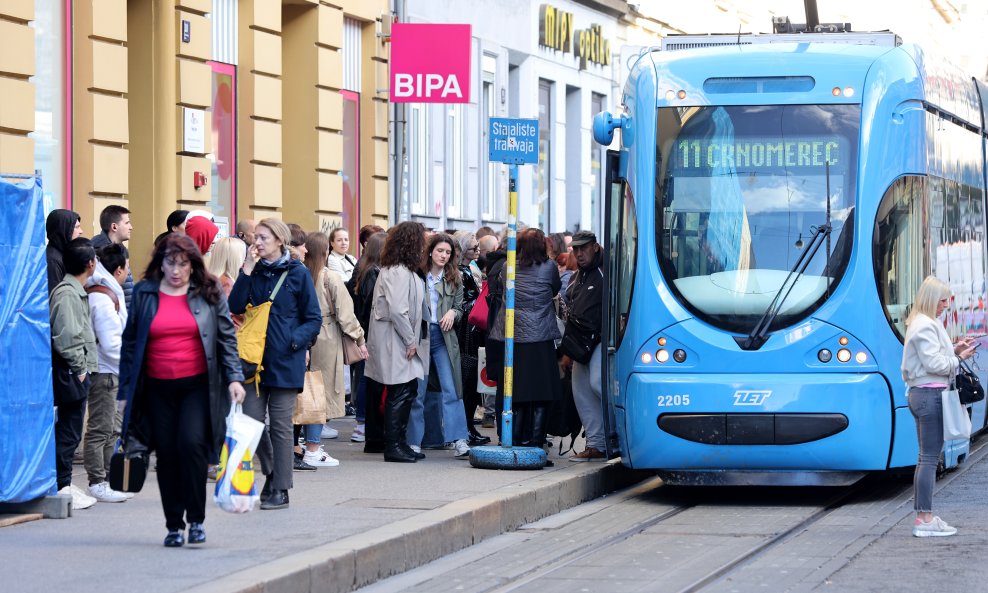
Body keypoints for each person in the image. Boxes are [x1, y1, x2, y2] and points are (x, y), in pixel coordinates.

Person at [118, 234, 245, 547]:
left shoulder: (209, 291)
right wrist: (124, 393)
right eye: (170, 263)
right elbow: (130, 344)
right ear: (160, 263)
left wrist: (234, 378)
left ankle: (197, 521)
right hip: (156, 389)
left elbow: (226, 338)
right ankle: (174, 525)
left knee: (191, 447)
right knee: (168, 455)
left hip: (197, 388)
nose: (175, 270)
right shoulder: (146, 293)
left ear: (193, 265)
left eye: (183, 264)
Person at [228, 218, 321, 510]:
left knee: (281, 427)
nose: (257, 242)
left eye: (263, 238)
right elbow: (234, 306)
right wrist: (245, 268)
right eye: (255, 237)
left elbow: (313, 318)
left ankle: (281, 488)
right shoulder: (252, 271)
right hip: (253, 361)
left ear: (280, 241)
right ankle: (271, 472)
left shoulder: (297, 273)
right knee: (251, 423)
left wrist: (295, 341)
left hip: (285, 359)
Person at [901, 276, 976, 537]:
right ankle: (924, 519)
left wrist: (954, 348)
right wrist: (958, 358)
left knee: (928, 457)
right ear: (932, 299)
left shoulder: (925, 322)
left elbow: (932, 357)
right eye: (943, 300)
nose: (946, 304)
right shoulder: (924, 325)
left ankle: (925, 516)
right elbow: (934, 364)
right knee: (929, 458)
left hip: (925, 394)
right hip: (929, 395)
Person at [488, 228, 562, 452]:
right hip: (540, 337)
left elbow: (501, 291)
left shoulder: (506, 267)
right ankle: (537, 440)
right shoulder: (549, 268)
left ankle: (514, 437)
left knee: (515, 389)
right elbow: (554, 290)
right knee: (542, 391)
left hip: (513, 337)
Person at [364, 221, 430, 463]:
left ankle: (399, 443)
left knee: (406, 389)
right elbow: (398, 310)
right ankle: (393, 445)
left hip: (398, 338)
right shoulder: (398, 272)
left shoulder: (403, 270)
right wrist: (411, 341)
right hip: (396, 340)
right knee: (400, 390)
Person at [301, 232, 367, 467]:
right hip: (325, 336)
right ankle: (313, 446)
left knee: (304, 391)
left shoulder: (300, 274)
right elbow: (346, 314)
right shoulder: (329, 277)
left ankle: (302, 443)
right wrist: (360, 339)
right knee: (321, 393)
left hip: (301, 336)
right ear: (325, 252)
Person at [407, 234, 471, 458]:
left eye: (448, 252)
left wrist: (454, 312)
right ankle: (414, 441)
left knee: (451, 388)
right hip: (421, 337)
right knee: (418, 391)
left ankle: (459, 440)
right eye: (440, 251)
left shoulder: (455, 277)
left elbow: (460, 307)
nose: (444, 255)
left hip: (444, 338)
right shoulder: (417, 275)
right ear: (430, 251)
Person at [50, 237, 99, 510]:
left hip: (75, 370)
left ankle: (64, 482)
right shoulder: (68, 293)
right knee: (68, 431)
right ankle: (61, 484)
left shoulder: (74, 290)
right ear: (90, 264)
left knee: (71, 430)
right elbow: (66, 336)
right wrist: (80, 369)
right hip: (71, 371)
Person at [83, 244, 131, 503]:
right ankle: (97, 481)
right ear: (119, 269)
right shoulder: (102, 296)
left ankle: (108, 478)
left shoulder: (109, 291)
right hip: (106, 372)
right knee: (101, 428)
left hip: (113, 371)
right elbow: (111, 343)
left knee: (112, 428)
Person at [565, 231, 606, 461]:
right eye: (576, 249)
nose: (579, 253)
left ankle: (615, 436)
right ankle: (596, 444)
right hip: (581, 343)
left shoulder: (606, 270)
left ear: (595, 247)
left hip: (601, 340)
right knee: (581, 392)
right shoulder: (577, 275)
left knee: (598, 384)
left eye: (584, 248)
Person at [348, 231, 387, 446]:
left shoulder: (365, 269)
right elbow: (373, 305)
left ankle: (362, 422)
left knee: (366, 376)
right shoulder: (373, 272)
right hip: (370, 331)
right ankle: (362, 422)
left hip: (366, 329)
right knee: (367, 377)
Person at [453, 232, 489, 446]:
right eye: (473, 248)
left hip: (473, 328)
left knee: (472, 380)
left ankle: (468, 425)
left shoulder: (470, 269)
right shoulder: (460, 272)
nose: (477, 251)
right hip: (467, 329)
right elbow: (461, 303)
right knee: (468, 379)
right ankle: (466, 426)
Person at [91, 205, 134, 309]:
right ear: (114, 226)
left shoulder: (121, 249)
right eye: (127, 223)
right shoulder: (98, 251)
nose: (131, 227)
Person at [46, 209, 83, 292]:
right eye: (77, 227)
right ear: (64, 229)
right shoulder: (52, 261)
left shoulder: (64, 255)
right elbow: (56, 298)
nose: (81, 231)